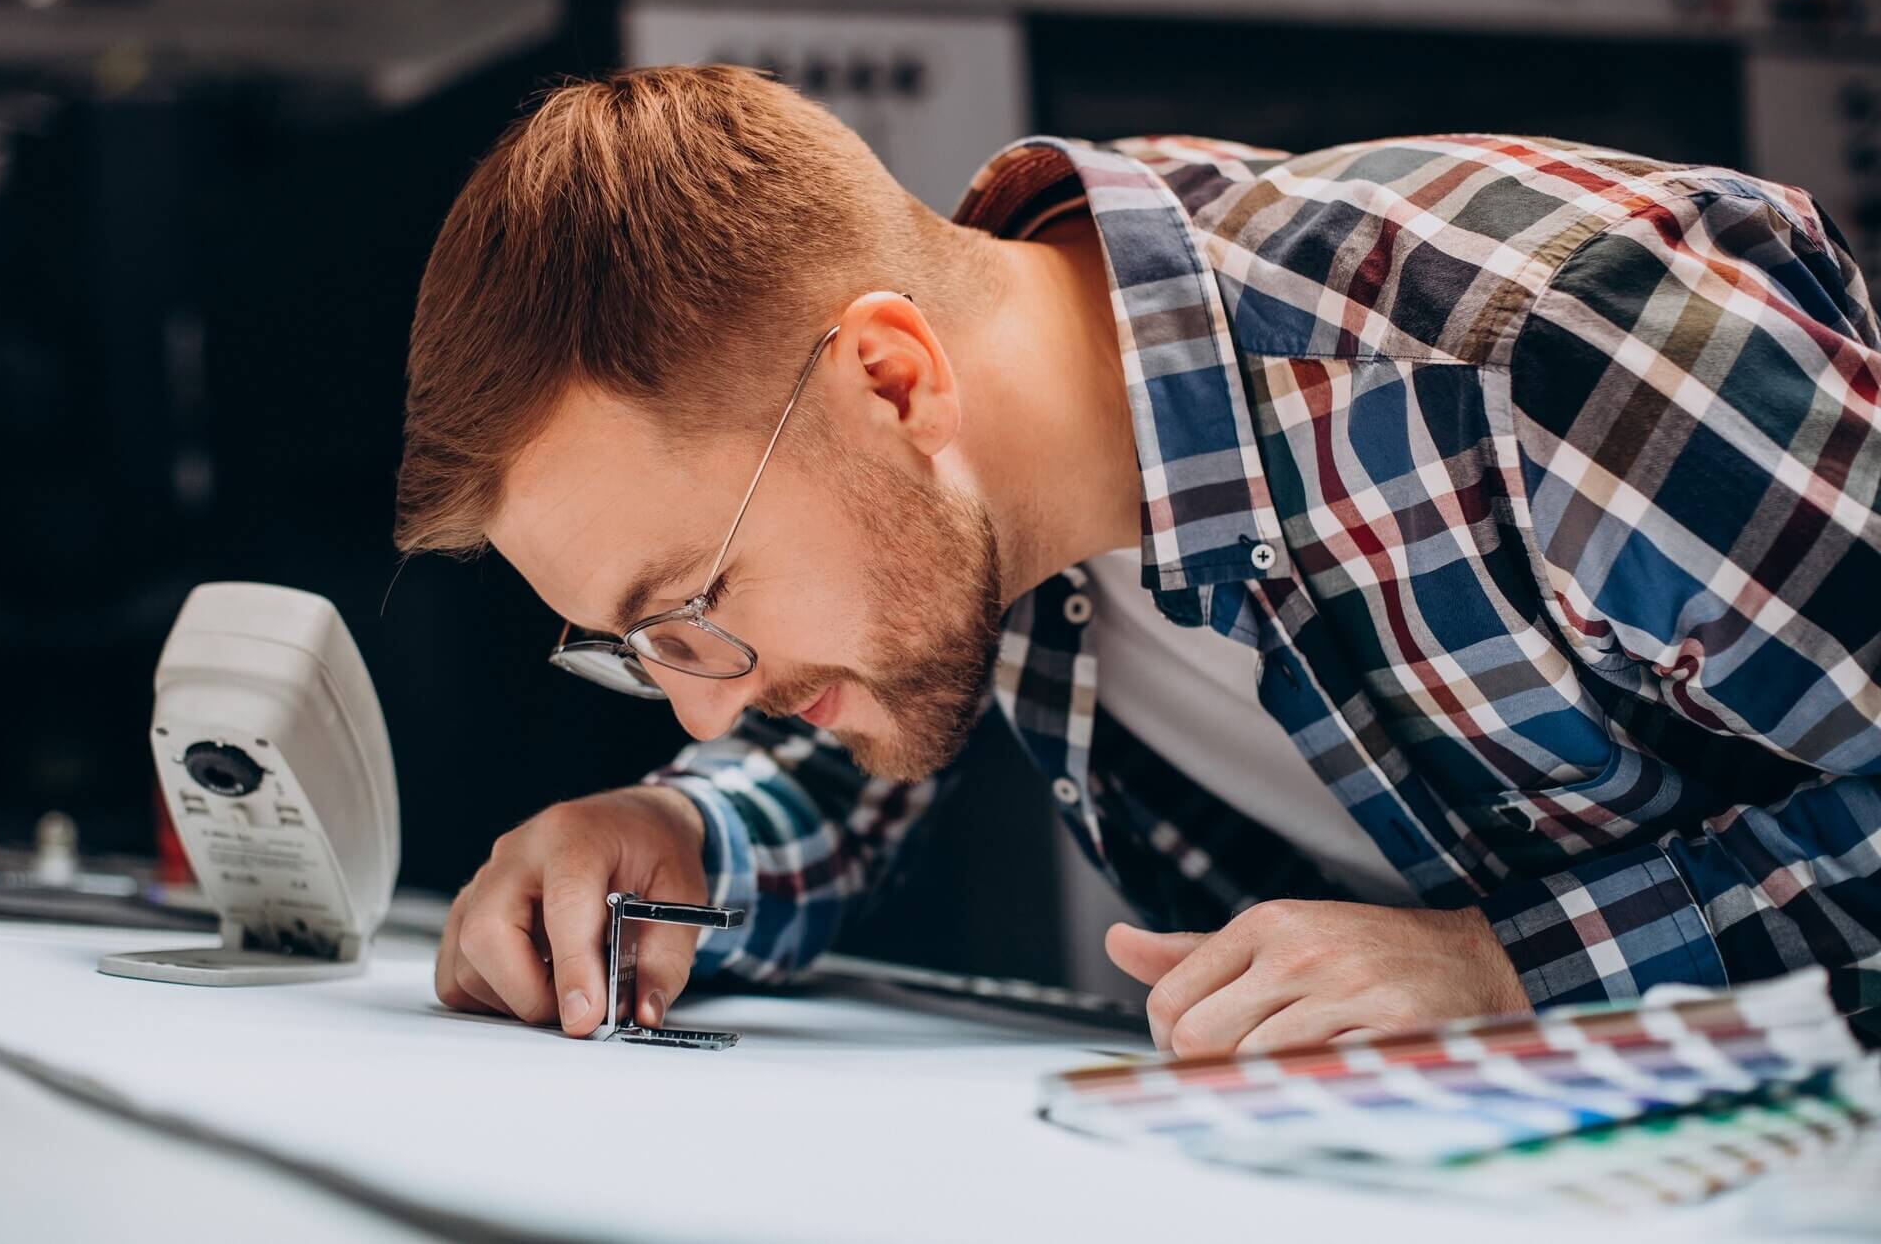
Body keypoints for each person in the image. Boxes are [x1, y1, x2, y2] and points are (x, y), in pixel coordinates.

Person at [396, 65, 1881, 1057]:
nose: (705, 708)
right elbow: (871, 737)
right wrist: (682, 843)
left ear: (892, 381)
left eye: (692, 607)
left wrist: (1503, 971)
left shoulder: (1546, 343)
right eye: (641, 647)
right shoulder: (1004, 452)